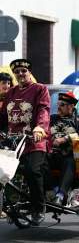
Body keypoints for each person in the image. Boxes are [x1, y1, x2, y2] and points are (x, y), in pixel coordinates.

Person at [0, 59, 50, 226]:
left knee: (31, 170)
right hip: (13, 142)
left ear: (30, 73)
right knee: (2, 172)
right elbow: (2, 117)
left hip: (33, 140)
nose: (20, 74)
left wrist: (40, 128)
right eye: (17, 72)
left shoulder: (40, 89)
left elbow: (43, 110)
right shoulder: (10, 93)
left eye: (24, 71)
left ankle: (38, 207)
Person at [48, 91, 79, 205]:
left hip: (69, 155)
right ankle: (54, 189)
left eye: (62, 105)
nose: (59, 107)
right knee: (37, 161)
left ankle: (61, 195)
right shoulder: (52, 118)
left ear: (71, 106)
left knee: (69, 162)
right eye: (58, 104)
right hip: (51, 154)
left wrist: (65, 139)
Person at [0, 72, 12, 219]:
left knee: (4, 175)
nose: (6, 85)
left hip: (8, 141)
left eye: (8, 83)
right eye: (3, 82)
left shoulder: (11, 101)